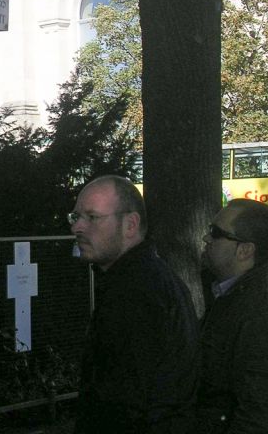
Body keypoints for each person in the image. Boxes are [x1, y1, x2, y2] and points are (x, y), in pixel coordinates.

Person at [71, 175, 198, 433]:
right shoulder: (147, 277)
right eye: (75, 217)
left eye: (92, 217)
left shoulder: (135, 291)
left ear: (130, 225)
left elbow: (122, 399)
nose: (77, 228)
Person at [196, 198, 268, 433]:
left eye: (215, 233)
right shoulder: (227, 294)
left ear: (245, 250)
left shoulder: (258, 310)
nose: (206, 238)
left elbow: (257, 411)